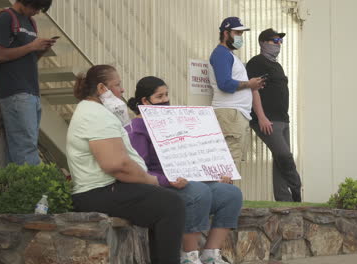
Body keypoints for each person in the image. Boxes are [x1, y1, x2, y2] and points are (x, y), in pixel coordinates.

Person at [66, 65, 185, 264]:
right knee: (172, 205)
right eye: (118, 85)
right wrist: (151, 180)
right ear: (102, 88)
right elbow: (116, 165)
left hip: (106, 189)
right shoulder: (95, 115)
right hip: (97, 192)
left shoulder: (95, 111)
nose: (122, 90)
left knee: (168, 201)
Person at [126, 76, 243, 264]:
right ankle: (189, 256)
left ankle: (210, 254)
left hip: (187, 180)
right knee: (199, 192)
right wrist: (166, 180)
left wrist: (215, 172)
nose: (165, 100)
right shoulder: (136, 130)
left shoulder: (175, 121)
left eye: (166, 95)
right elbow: (140, 170)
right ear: (145, 101)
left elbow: (194, 154)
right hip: (161, 186)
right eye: (159, 97)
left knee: (230, 193)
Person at [0, 0, 56, 165]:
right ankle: (33, 187)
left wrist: (40, 50)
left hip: (31, 90)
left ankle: (14, 186)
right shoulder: (6, 17)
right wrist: (31, 47)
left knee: (23, 144)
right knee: (26, 145)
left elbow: (29, 59)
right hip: (15, 90)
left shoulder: (31, 22)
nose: (36, 12)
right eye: (36, 7)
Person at [245, 28, 302, 202]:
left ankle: (284, 200)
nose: (278, 45)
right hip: (267, 120)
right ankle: (297, 188)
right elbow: (254, 90)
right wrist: (261, 117)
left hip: (283, 119)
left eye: (280, 41)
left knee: (279, 160)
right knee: (285, 156)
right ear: (263, 43)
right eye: (274, 41)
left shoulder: (276, 64)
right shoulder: (257, 62)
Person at [208, 17, 264, 168]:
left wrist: (252, 84)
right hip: (230, 114)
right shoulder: (221, 54)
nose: (240, 37)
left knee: (232, 163)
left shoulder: (229, 55)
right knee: (228, 166)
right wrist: (249, 84)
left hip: (235, 114)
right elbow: (224, 84)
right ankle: (227, 192)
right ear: (226, 33)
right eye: (237, 33)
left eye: (242, 34)